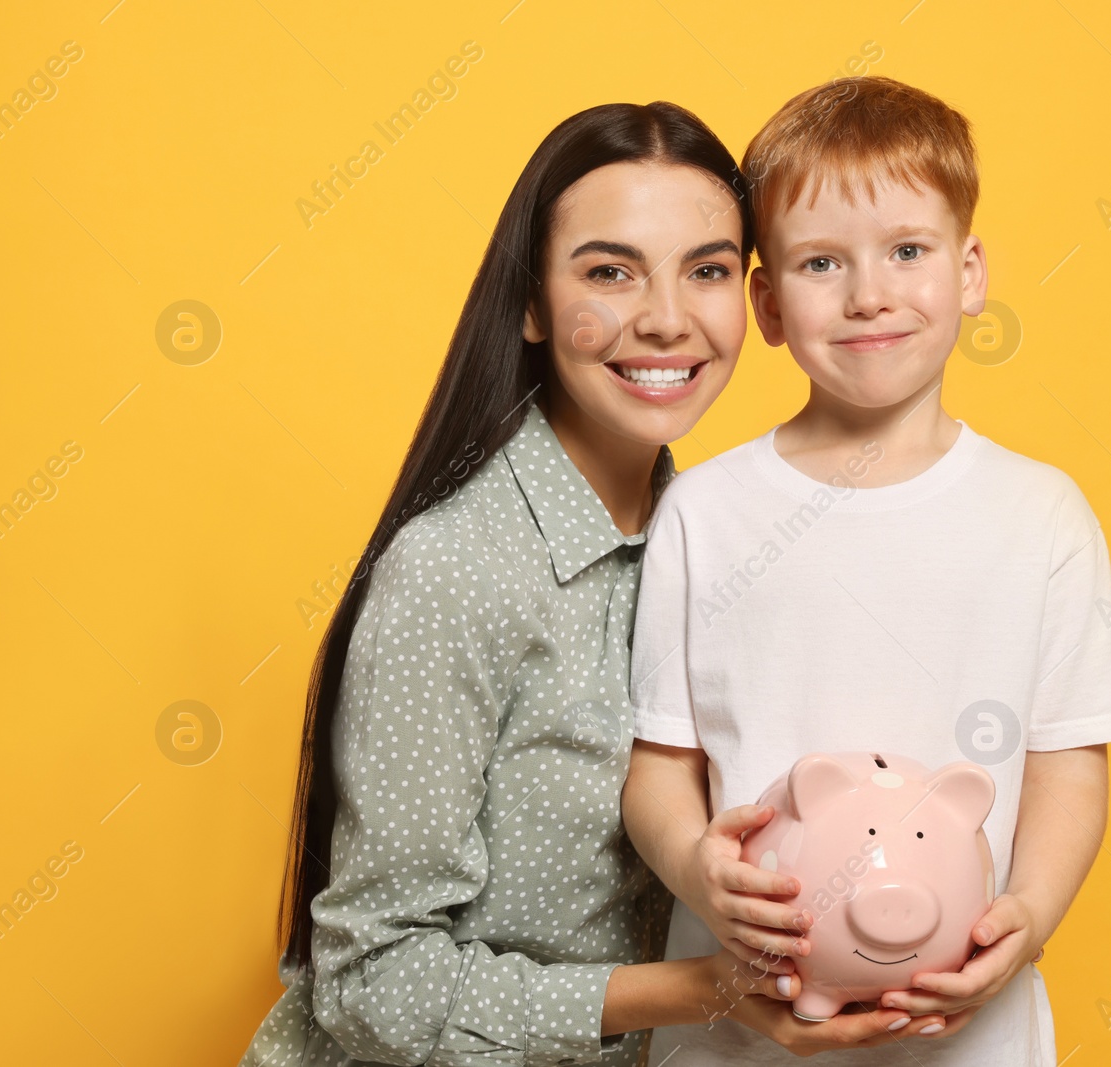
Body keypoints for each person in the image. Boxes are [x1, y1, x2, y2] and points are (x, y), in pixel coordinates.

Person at [238, 100, 945, 1067]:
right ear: (530, 303)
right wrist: (705, 992)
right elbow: (370, 983)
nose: (664, 318)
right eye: (609, 272)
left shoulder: (721, 544)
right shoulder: (455, 571)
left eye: (705, 272)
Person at [622, 76, 1111, 1065]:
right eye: (822, 262)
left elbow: (1068, 761)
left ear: (966, 271)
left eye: (906, 251)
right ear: (770, 304)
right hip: (740, 1036)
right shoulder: (704, 513)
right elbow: (661, 763)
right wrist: (702, 876)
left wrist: (1028, 916)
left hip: (968, 1039)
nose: (869, 293)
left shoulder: (1041, 515)